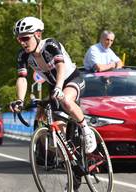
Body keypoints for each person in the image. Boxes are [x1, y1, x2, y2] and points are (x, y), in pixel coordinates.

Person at [9, 16, 96, 155]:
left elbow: (60, 66)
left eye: (26, 38)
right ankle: (70, 158)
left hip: (71, 79)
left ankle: (86, 130)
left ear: (37, 35)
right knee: (58, 127)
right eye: (19, 39)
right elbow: (22, 78)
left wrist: (59, 87)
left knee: (66, 100)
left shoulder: (49, 45)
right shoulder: (23, 56)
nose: (23, 43)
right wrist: (19, 100)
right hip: (54, 86)